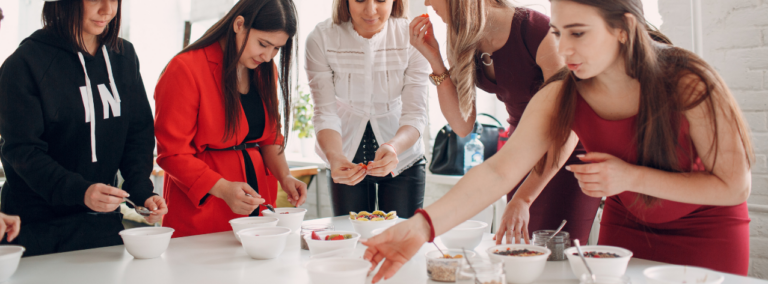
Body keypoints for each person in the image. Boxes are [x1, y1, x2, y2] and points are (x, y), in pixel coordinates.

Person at [363, 0, 753, 280]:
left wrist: (629, 177)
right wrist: (420, 227)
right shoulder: (564, 92)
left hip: (707, 231)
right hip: (628, 231)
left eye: (578, 33)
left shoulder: (688, 82)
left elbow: (735, 186)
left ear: (624, 28)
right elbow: (498, 172)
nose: (563, 49)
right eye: (557, 33)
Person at [410, 0, 601, 244]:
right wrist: (435, 59)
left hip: (565, 154)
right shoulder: (461, 39)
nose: (426, 2)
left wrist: (524, 197)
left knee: (557, 257)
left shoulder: (536, 30)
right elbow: (462, 125)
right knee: (519, 252)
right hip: (521, 154)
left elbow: (569, 123)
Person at [0, 0, 167, 256]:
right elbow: (22, 151)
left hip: (101, 224)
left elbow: (138, 132)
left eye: (114, 0)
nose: (107, 10)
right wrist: (80, 191)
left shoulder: (123, 56)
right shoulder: (24, 64)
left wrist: (141, 191)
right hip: (36, 228)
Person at [155, 0, 307, 238]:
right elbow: (172, 154)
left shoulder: (266, 71)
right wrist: (223, 189)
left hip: (258, 209)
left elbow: (270, 137)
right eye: (263, 44)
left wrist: (285, 176)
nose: (268, 56)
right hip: (203, 210)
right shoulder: (185, 68)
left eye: (277, 48)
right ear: (239, 24)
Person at [306, 0, 429, 218]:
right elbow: (325, 113)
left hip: (403, 157)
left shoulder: (412, 39)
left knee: (399, 240)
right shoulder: (321, 38)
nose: (371, 10)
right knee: (352, 239)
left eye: (381, 0)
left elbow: (415, 114)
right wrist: (334, 156)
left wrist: (393, 147)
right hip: (344, 158)